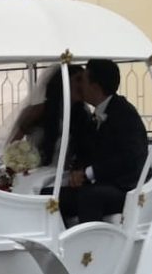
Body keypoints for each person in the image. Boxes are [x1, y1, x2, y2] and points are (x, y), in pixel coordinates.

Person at [60, 59, 147, 224]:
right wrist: (77, 171)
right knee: (51, 196)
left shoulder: (124, 114)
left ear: (95, 87)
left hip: (126, 186)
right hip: (102, 184)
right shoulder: (98, 114)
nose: (80, 86)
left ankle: (90, 248)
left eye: (83, 81)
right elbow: (89, 150)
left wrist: (87, 173)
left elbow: (128, 158)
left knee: (90, 197)